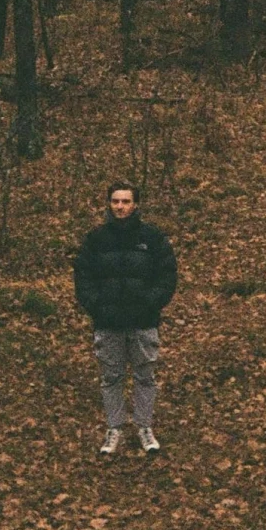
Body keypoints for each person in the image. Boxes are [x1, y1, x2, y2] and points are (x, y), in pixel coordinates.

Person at [72, 181, 178, 456]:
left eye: (126, 201)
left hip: (143, 322)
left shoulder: (152, 238)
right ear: (109, 203)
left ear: (135, 204)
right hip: (108, 323)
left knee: (145, 377)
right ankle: (114, 428)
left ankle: (144, 427)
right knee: (111, 377)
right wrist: (97, 307)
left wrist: (150, 303)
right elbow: (83, 278)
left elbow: (167, 276)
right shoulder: (95, 239)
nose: (120, 206)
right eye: (115, 201)